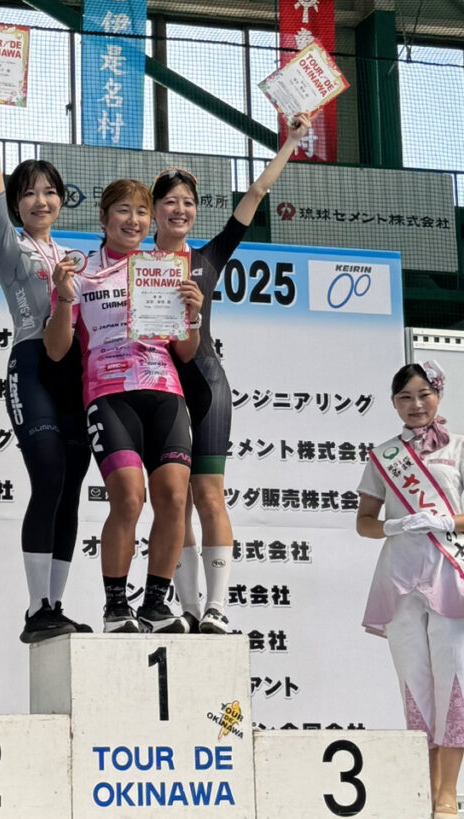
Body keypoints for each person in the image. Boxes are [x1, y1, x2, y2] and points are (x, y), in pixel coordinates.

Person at [152, 114, 312, 634]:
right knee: (173, 500)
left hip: (207, 384)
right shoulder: (135, 265)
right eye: (170, 201)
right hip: (159, 389)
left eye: (188, 202)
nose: (180, 209)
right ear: (153, 210)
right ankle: (187, 607)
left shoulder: (210, 256)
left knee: (208, 493)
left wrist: (289, 142)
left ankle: (218, 607)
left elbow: (258, 193)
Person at [0, 54, 92, 642]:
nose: (41, 200)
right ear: (15, 203)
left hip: (77, 374)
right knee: (48, 477)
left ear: (62, 200)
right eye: (29, 193)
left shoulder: (75, 257)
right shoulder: (10, 246)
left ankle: (55, 606)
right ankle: (35, 606)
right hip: (34, 364)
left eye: (50, 192)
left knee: (70, 488)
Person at [45, 179, 204, 633]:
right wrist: (64, 297)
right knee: (129, 498)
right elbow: (56, 350)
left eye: (141, 212)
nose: (133, 221)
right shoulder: (79, 270)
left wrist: (193, 316)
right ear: (103, 217)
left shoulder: (164, 268)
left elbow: (185, 351)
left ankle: (155, 604)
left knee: (174, 498)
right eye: (122, 211)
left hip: (165, 390)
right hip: (109, 393)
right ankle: (116, 608)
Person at [356, 361, 464, 819]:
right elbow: (364, 523)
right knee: (416, 689)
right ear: (393, 403)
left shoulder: (462, 447)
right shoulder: (383, 456)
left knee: (455, 682)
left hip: (452, 575)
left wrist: (447, 521)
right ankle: (426, 791)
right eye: (405, 398)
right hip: (399, 579)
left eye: (424, 395)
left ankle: (447, 796)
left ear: (438, 395)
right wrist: (394, 525)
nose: (415, 405)